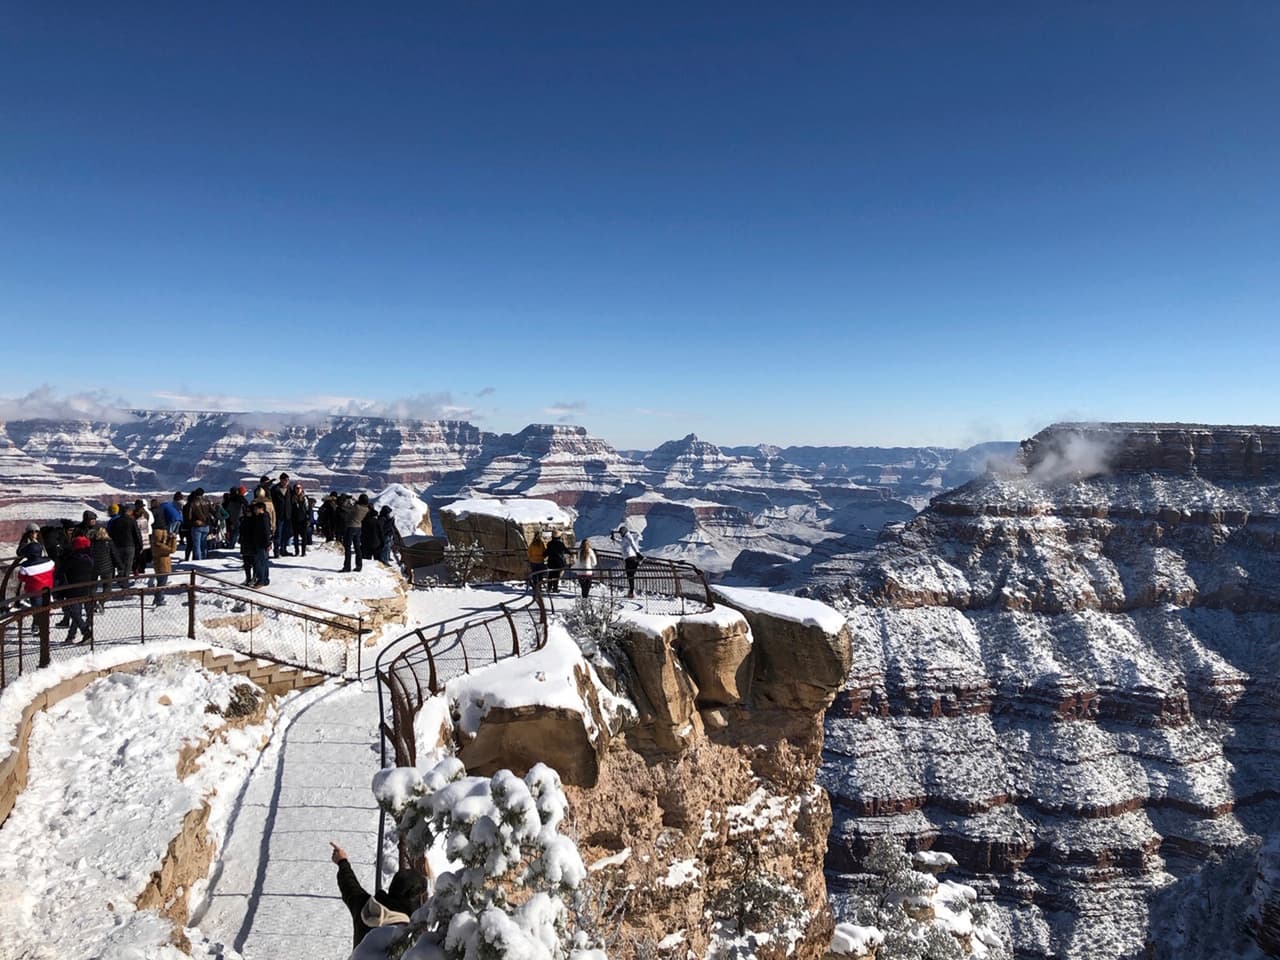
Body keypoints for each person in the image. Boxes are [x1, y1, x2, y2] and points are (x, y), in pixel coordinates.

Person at [329, 842, 426, 949]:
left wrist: (342, 861)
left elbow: (349, 886)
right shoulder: (408, 935)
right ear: (414, 899)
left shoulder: (365, 908)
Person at [60, 535, 96, 643]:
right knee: (76, 614)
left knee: (75, 613)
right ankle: (70, 636)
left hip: (73, 589)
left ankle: (86, 632)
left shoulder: (72, 558)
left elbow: (62, 571)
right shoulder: (90, 558)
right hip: (86, 588)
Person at [15, 525, 55, 608]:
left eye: (36, 531)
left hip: (37, 566)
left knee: (40, 604)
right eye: (31, 531)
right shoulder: (25, 542)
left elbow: (44, 551)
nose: (34, 533)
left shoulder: (40, 541)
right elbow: (19, 552)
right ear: (27, 533)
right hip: (31, 565)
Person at [109, 504, 144, 583]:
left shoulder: (116, 521)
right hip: (130, 546)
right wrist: (140, 545)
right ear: (128, 512)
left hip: (118, 546)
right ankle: (125, 581)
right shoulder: (132, 521)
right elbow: (137, 534)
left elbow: (112, 534)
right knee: (128, 564)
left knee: (120, 564)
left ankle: (121, 579)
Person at [91, 526, 123, 604]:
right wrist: (120, 566)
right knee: (107, 586)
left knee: (92, 586)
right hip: (107, 568)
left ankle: (93, 602)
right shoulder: (109, 542)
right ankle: (101, 602)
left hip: (94, 567)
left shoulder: (92, 543)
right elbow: (115, 555)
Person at [245, 498, 272, 587]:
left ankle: (262, 580)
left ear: (261, 509)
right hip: (258, 542)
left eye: (256, 509)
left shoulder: (263, 518)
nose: (254, 510)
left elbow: (266, 531)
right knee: (261, 562)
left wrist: (268, 543)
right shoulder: (259, 517)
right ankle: (264, 579)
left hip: (262, 543)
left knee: (262, 562)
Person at [340, 494, 371, 573]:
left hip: (350, 527)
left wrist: (347, 499)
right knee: (357, 547)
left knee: (347, 547)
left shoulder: (356, 507)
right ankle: (359, 565)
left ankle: (347, 566)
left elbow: (344, 506)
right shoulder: (366, 509)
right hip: (358, 528)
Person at [613, 523, 643, 598]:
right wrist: (615, 539)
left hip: (630, 558)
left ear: (623, 532)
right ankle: (631, 592)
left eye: (621, 533)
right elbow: (622, 543)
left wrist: (638, 553)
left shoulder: (628, 536)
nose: (620, 534)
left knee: (630, 575)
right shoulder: (625, 538)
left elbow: (633, 544)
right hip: (628, 559)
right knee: (630, 576)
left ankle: (631, 593)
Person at [150, 526, 176, 605]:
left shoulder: (156, 544)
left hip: (161, 566)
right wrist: (173, 539)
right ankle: (159, 599)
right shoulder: (159, 546)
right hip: (162, 567)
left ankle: (157, 598)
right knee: (162, 584)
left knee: (161, 583)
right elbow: (172, 550)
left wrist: (168, 539)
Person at [187, 487, 213, 561]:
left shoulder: (193, 503)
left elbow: (189, 516)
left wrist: (192, 521)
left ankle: (198, 560)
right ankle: (204, 558)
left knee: (197, 545)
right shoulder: (207, 502)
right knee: (204, 543)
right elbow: (213, 512)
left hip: (197, 526)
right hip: (206, 525)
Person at [270, 473, 292, 557]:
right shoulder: (275, 489)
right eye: (284, 480)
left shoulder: (289, 489)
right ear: (281, 480)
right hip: (278, 515)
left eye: (287, 480)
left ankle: (283, 549)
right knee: (278, 534)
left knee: (286, 533)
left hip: (287, 515)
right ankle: (276, 551)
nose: (286, 482)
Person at [290, 483, 310, 557]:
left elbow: (308, 509)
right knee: (295, 537)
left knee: (304, 537)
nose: (298, 490)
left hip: (303, 520)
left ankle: (303, 552)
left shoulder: (304, 498)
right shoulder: (292, 498)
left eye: (299, 488)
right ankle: (296, 551)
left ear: (301, 489)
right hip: (294, 520)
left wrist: (308, 519)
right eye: (296, 488)